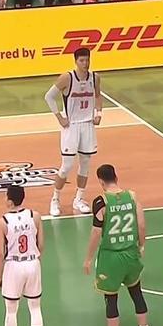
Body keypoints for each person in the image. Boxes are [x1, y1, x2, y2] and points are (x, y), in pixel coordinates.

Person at [83, 164, 151, 326]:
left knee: (111, 299)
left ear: (101, 181)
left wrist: (88, 258)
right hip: (131, 253)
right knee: (137, 293)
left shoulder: (101, 202)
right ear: (116, 177)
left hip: (111, 257)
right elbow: (142, 225)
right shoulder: (132, 196)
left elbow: (96, 233)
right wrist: (141, 245)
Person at [44, 48, 102, 216]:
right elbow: (49, 96)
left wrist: (98, 113)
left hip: (87, 124)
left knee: (85, 164)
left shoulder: (95, 77)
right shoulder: (67, 78)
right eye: (82, 60)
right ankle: (55, 199)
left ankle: (79, 199)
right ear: (76, 61)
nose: (85, 63)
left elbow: (98, 96)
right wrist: (59, 117)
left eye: (87, 60)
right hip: (71, 126)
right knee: (66, 166)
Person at [0, 186, 44, 326]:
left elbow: (0, 253)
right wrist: (34, 261)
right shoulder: (35, 216)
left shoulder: (3, 222)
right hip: (33, 263)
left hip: (13, 265)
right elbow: (41, 245)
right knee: (35, 308)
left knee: (11, 310)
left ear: (10, 201)